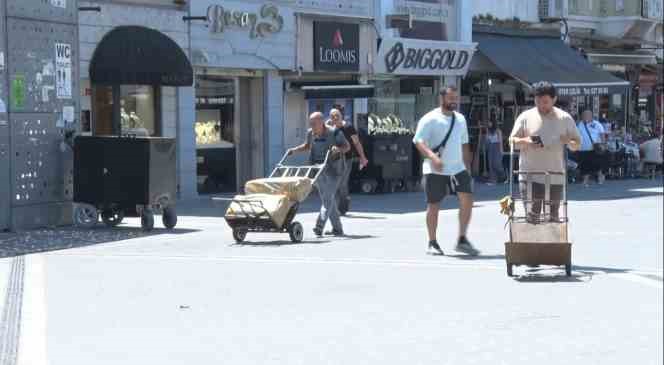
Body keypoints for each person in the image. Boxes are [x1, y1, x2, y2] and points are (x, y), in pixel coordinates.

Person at [413, 85, 479, 256]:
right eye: (450, 98)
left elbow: (464, 143)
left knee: (468, 199)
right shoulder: (430, 119)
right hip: (435, 169)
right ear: (441, 99)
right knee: (434, 205)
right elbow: (418, 141)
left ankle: (462, 239)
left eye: (455, 98)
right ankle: (432, 242)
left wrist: (468, 167)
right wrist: (432, 157)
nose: (454, 101)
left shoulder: (461, 119)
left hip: (458, 168)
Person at [510, 81, 581, 222]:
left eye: (545, 102)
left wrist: (568, 141)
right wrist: (527, 141)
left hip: (554, 176)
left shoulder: (565, 118)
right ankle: (531, 243)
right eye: (538, 101)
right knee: (532, 218)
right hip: (530, 176)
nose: (541, 105)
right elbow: (512, 141)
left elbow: (576, 145)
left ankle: (551, 244)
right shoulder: (525, 117)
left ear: (554, 99)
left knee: (552, 219)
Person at [288, 112, 350, 236]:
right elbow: (307, 146)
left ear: (322, 123)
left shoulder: (335, 133)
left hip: (334, 171)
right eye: (310, 123)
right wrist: (294, 150)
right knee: (329, 200)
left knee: (327, 199)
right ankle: (338, 229)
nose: (312, 126)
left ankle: (319, 226)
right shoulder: (311, 133)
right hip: (318, 170)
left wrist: (338, 149)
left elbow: (347, 147)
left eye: (314, 124)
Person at [327, 108, 369, 216]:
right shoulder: (331, 128)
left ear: (341, 116)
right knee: (334, 183)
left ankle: (343, 208)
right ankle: (337, 206)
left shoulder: (349, 127)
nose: (335, 118)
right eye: (332, 116)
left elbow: (357, 143)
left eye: (337, 115)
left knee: (342, 183)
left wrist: (362, 157)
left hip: (347, 159)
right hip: (334, 159)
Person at [577, 109, 607, 186]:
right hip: (583, 149)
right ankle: (585, 181)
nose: (585, 116)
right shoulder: (580, 124)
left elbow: (602, 135)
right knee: (584, 165)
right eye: (584, 115)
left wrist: (603, 144)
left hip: (595, 148)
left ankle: (600, 177)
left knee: (596, 164)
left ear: (591, 116)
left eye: (587, 115)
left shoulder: (597, 124)